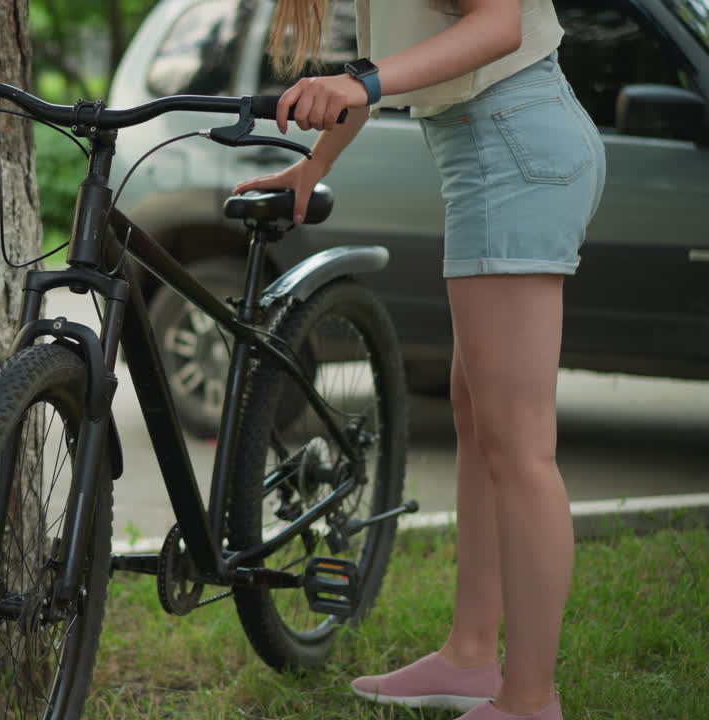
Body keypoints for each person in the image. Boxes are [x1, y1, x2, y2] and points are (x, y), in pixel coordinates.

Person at [232, 1, 606, 719]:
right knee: (482, 424)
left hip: (512, 144)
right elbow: (395, 66)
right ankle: (470, 656)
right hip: (490, 146)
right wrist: (316, 162)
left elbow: (496, 23)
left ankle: (530, 700)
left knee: (520, 445)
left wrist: (361, 84)